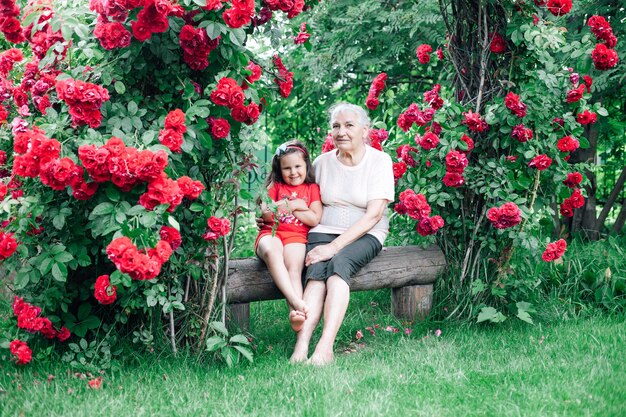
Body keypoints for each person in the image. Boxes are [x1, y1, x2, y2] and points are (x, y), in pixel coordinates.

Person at [290, 103, 395, 365]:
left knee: (339, 266)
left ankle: (325, 348)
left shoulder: (379, 162)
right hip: (323, 229)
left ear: (365, 131)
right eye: (336, 126)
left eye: (349, 125)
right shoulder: (322, 163)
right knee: (315, 272)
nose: (342, 131)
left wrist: (333, 247)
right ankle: (301, 347)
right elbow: (306, 201)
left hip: (366, 233)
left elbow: (373, 215)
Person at [256, 140, 323, 332]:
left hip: (296, 236)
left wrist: (289, 206)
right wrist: (298, 205)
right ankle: (296, 301)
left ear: (306, 165)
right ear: (279, 169)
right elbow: (267, 214)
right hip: (271, 232)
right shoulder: (275, 186)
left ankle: (297, 315)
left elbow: (314, 218)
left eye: (297, 166)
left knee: (294, 268)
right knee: (271, 250)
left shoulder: (312, 189)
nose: (293, 172)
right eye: (287, 168)